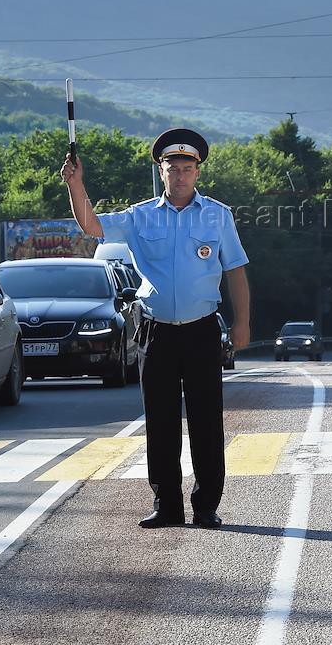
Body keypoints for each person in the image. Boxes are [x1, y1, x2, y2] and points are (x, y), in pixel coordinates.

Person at [62, 128, 250, 529]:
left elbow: (235, 270)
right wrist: (76, 185)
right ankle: (167, 505)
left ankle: (206, 506)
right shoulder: (139, 216)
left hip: (201, 330)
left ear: (197, 172)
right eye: (172, 168)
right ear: (161, 171)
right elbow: (92, 226)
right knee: (160, 420)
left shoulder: (217, 214)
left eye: (187, 168)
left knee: (206, 420)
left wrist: (242, 322)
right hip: (156, 331)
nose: (180, 175)